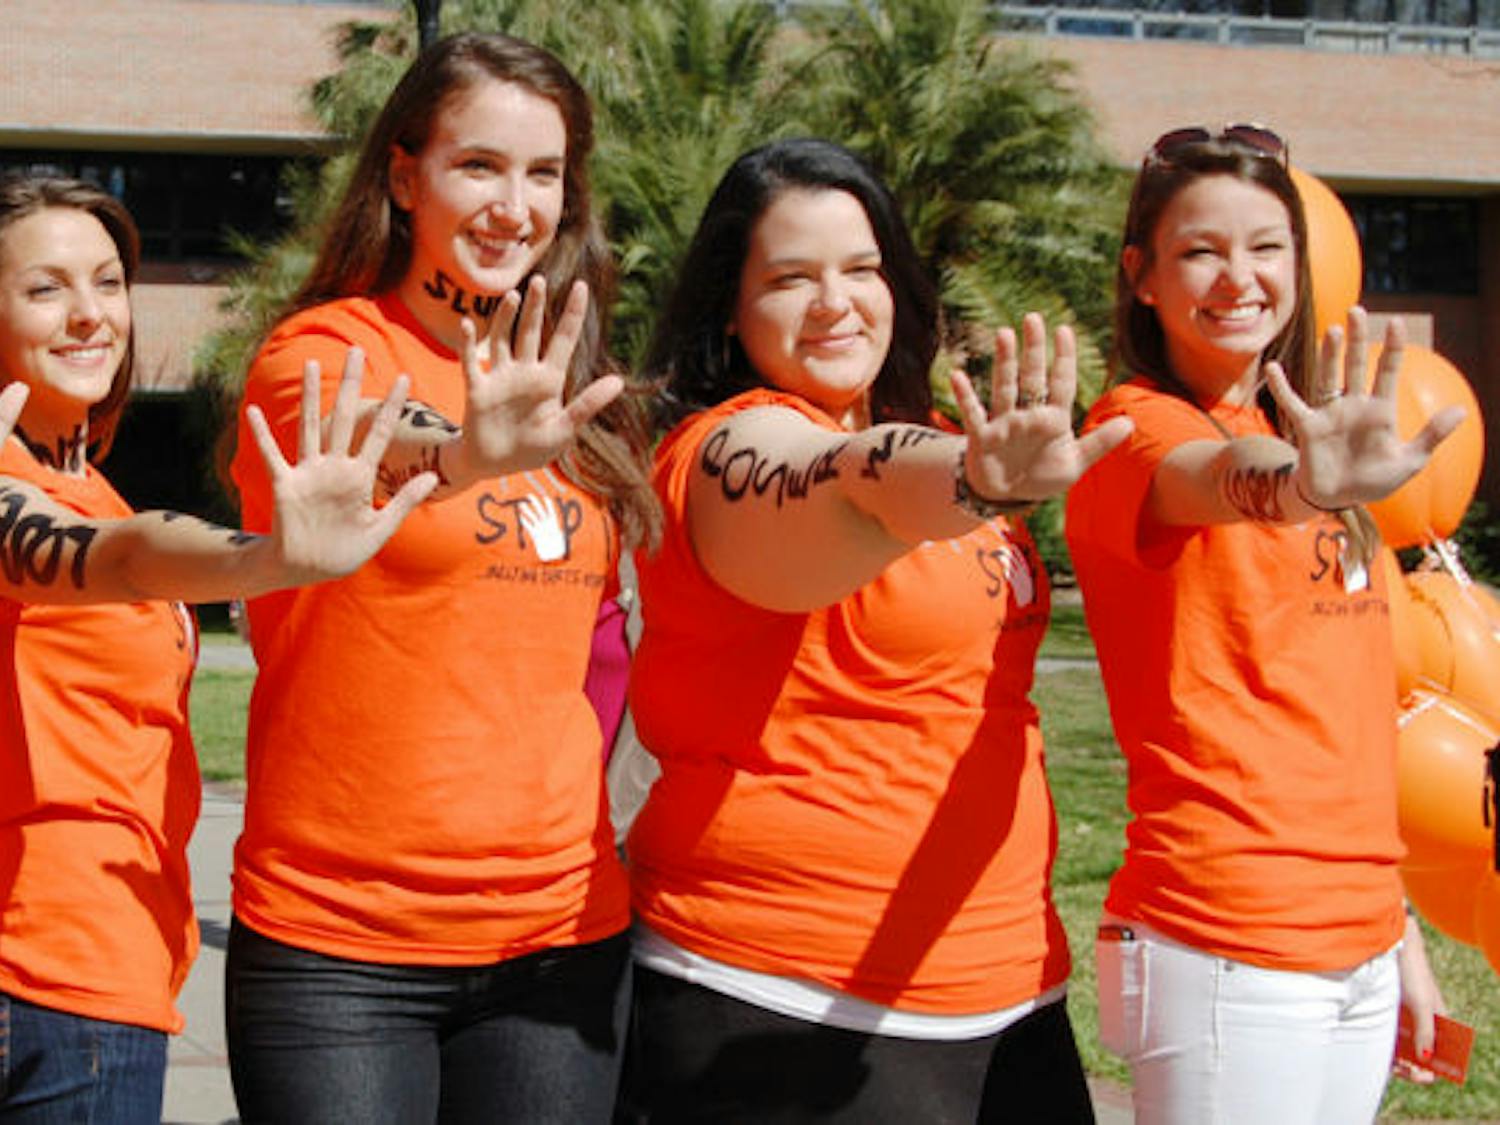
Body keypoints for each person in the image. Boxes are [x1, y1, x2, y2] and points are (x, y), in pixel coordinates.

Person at [618, 137, 1132, 1123]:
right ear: (730, 305)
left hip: (1010, 993)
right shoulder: (720, 449)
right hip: (776, 1003)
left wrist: (975, 474)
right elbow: (847, 483)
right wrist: (969, 481)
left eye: (861, 269)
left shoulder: (948, 432)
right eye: (790, 278)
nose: (834, 302)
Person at [225, 32, 658, 1124]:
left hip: (561, 940)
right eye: (479, 166)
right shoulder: (317, 352)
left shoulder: (571, 395)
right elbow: (379, 431)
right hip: (340, 951)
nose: (515, 205)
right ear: (405, 175)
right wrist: (466, 449)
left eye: (544, 173)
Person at [0, 173, 434, 1122]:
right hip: (50, 980)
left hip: (96, 966)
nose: (88, 316)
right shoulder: (11, 484)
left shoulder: (84, 481)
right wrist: (268, 558)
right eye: (45, 289)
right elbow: (121, 558)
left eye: (108, 283)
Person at [1064, 125, 1459, 1124]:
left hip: (1359, 941)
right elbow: (1220, 483)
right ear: (1141, 277)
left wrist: (1397, 934)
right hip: (1226, 940)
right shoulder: (1135, 430)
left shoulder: (1307, 439)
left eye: (1266, 247)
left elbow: (1335, 727)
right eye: (1201, 251)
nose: (1239, 277)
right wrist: (1302, 484)